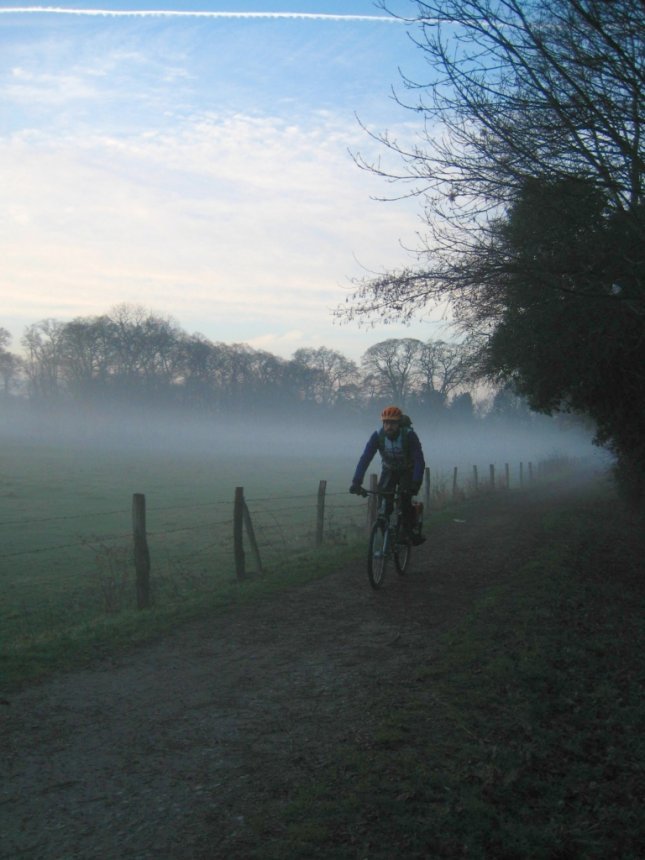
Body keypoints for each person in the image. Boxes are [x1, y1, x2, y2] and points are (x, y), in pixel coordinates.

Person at [349, 405, 426, 545]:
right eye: (386, 423)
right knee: (383, 500)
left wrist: (416, 482)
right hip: (389, 469)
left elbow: (419, 459)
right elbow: (365, 458)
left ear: (399, 423)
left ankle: (409, 531)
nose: (389, 426)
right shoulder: (378, 436)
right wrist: (356, 481)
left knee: (404, 498)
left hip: (407, 470)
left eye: (392, 423)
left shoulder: (408, 435)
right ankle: (385, 531)